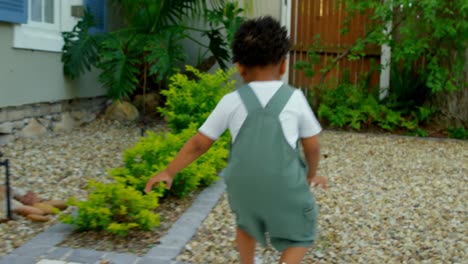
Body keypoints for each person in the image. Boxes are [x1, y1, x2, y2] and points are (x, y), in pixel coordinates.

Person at [145, 16, 327, 264]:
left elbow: (200, 143)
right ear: (283, 65)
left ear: (239, 67)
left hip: (244, 187)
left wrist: (169, 171)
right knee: (301, 235)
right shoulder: (294, 98)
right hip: (284, 185)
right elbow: (312, 146)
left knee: (246, 222)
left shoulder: (231, 101)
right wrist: (311, 174)